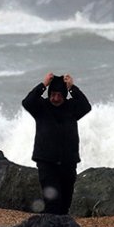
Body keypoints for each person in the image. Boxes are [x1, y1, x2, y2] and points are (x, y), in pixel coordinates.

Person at [22, 72, 91, 214]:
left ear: (65, 96)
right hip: (46, 162)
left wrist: (72, 87)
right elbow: (27, 102)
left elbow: (86, 106)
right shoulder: (41, 107)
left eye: (60, 95)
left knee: (65, 203)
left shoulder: (72, 107)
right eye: (53, 94)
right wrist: (43, 85)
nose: (56, 98)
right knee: (52, 202)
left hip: (68, 162)